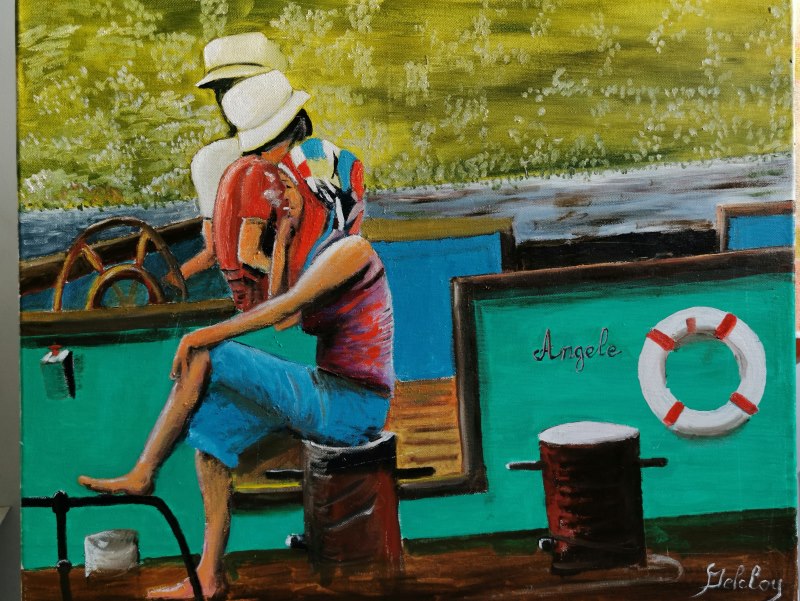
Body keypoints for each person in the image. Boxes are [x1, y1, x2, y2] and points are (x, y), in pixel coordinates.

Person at [77, 117, 394, 601]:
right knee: (213, 437)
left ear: (324, 193)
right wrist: (283, 235)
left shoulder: (352, 250)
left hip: (354, 404)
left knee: (211, 353)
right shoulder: (324, 252)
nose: (281, 198)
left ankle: (144, 471)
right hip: (331, 394)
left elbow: (282, 309)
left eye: (291, 189)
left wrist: (201, 334)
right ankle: (209, 577)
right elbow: (286, 313)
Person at [179, 32, 289, 283]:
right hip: (258, 276)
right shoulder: (215, 160)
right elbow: (215, 252)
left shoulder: (211, 158)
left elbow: (212, 251)